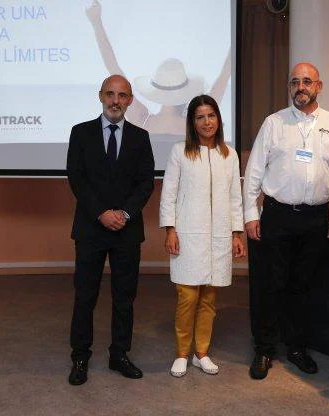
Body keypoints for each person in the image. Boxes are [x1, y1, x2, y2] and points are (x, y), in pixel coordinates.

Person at [243, 62, 329, 380]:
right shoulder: (273, 123)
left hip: (316, 219)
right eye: (294, 82)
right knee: (268, 287)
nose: (300, 87)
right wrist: (249, 214)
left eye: (307, 81)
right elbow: (254, 171)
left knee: (302, 288)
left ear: (319, 86)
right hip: (276, 216)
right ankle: (263, 350)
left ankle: (297, 348)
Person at [66, 74, 155, 385]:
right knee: (85, 296)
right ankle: (80, 357)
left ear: (130, 100)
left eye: (122, 95)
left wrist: (125, 214)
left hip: (127, 232)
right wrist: (102, 213)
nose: (115, 101)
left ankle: (120, 355)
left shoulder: (141, 138)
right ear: (100, 96)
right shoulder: (80, 133)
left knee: (124, 298)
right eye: (110, 94)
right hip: (90, 229)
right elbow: (76, 178)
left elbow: (146, 184)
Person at [160, 95, 245, 378]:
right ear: (192, 122)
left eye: (211, 115)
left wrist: (236, 234)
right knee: (187, 297)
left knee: (209, 299)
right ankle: (182, 353)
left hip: (219, 237)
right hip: (187, 236)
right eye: (200, 117)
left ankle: (201, 353)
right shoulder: (180, 152)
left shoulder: (229, 154)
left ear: (218, 119)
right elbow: (169, 193)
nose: (207, 122)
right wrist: (170, 229)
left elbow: (235, 197)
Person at [85, 0, 231, 135]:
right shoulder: (196, 125)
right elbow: (224, 77)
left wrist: (96, 22)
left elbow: (113, 68)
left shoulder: (143, 120)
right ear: (183, 91)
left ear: (157, 89)